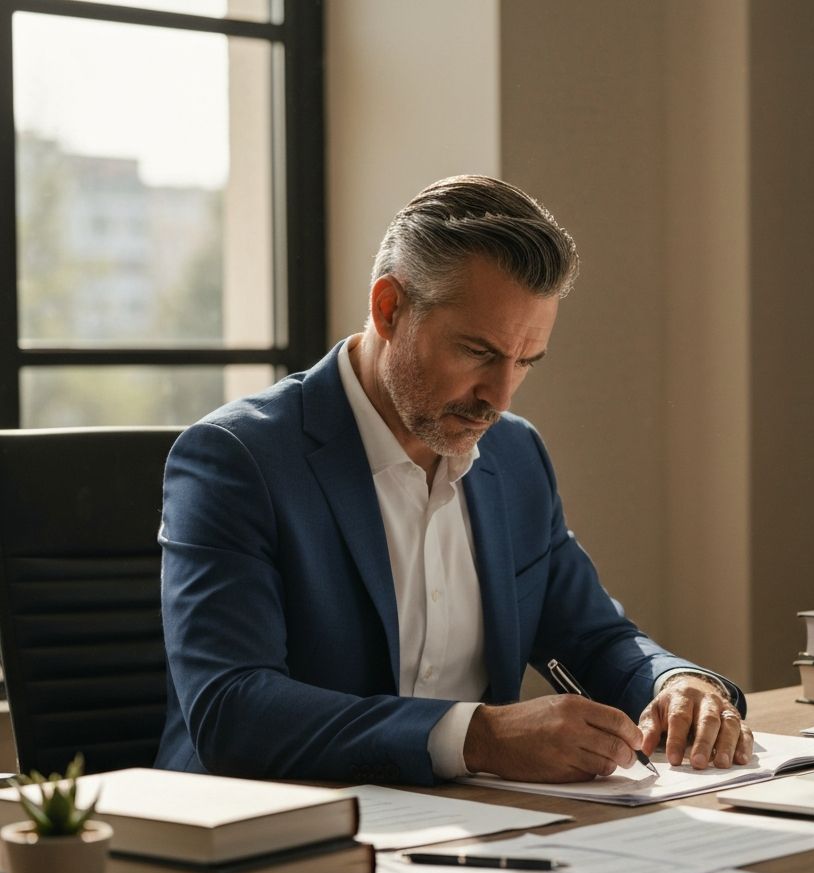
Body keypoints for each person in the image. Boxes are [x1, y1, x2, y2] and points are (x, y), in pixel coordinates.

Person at [155, 175, 753, 786]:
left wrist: (674, 683)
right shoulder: (236, 460)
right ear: (390, 309)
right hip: (280, 836)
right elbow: (230, 709)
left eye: (524, 362)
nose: (499, 396)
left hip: (476, 831)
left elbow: (593, 637)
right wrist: (479, 736)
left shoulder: (515, 455)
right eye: (478, 352)